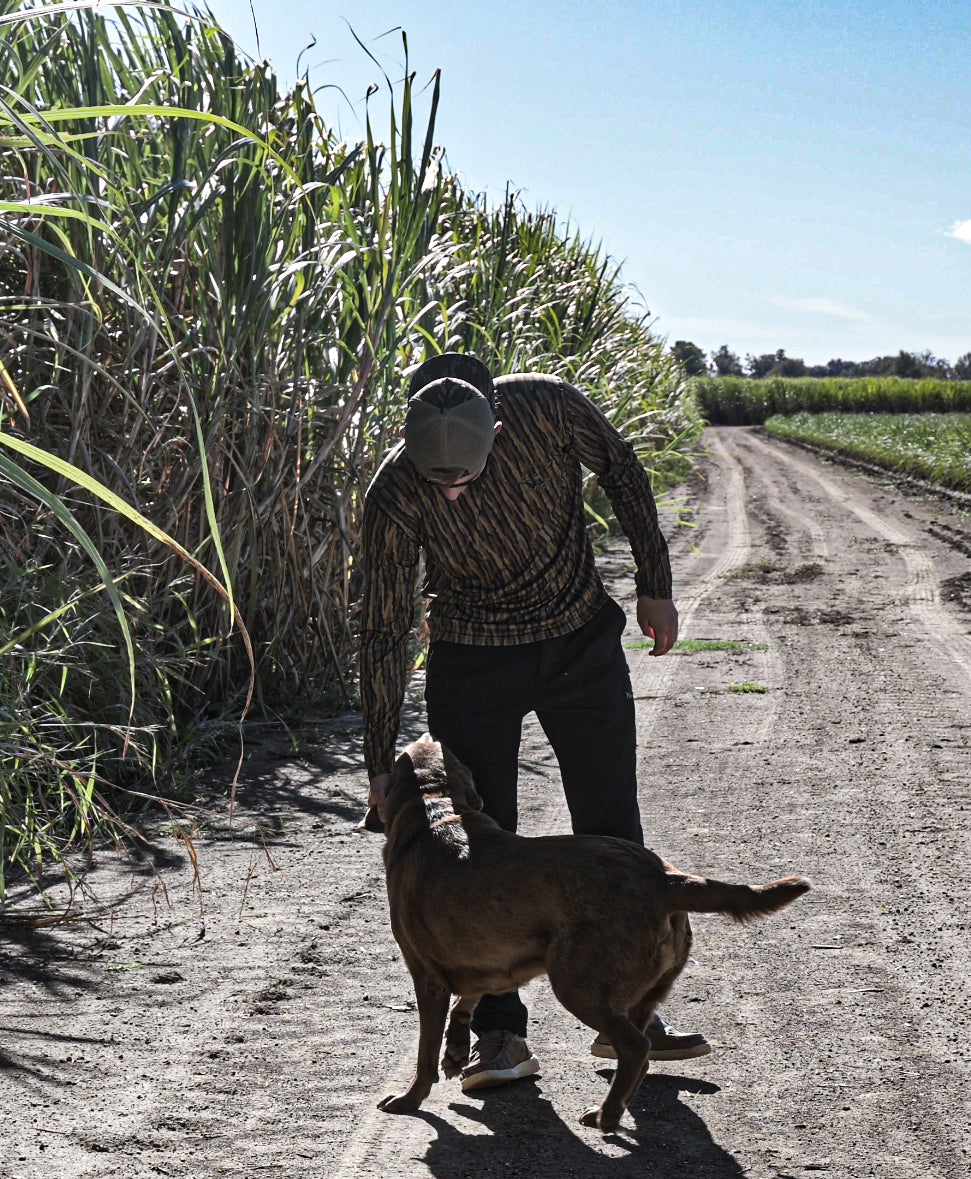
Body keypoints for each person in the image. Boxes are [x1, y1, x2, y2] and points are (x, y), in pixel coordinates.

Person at [360, 352, 710, 1091]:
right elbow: (385, 629)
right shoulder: (392, 491)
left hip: (577, 640)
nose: (450, 493)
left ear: (497, 430)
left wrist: (655, 583)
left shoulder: (549, 408)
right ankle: (499, 1034)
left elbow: (623, 471)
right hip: (470, 658)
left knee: (612, 828)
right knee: (479, 856)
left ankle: (626, 1017)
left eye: (465, 476)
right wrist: (376, 763)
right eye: (436, 480)